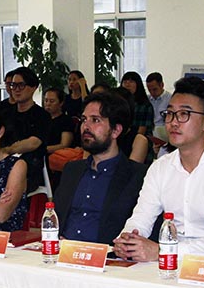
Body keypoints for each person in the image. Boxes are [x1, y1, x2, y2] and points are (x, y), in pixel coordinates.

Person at [113, 77, 204, 261]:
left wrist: (163, 251)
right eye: (170, 113)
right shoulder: (160, 167)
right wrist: (128, 239)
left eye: (184, 114)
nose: (173, 122)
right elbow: (141, 218)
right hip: (167, 261)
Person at [54, 92, 146, 245]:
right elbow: (56, 218)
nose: (86, 126)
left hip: (108, 255)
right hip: (64, 252)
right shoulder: (72, 170)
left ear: (116, 130)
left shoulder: (137, 176)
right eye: (84, 119)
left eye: (95, 120)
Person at [0, 66, 51, 193]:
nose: (16, 90)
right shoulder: (5, 114)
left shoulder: (42, 115)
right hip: (3, 162)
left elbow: (33, 143)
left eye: (21, 85)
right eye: (13, 85)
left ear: (33, 87)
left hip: (30, 166)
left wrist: (8, 150)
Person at [120, 71, 154, 137]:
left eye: (131, 81)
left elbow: (141, 132)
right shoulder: (118, 104)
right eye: (125, 82)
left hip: (140, 139)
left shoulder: (145, 106)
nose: (127, 85)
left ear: (138, 85)